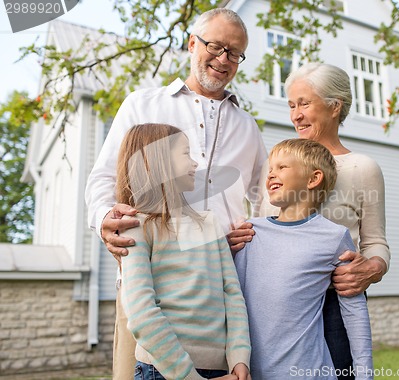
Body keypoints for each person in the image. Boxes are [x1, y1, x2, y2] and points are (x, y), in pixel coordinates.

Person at [84, 8, 267, 379]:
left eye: (235, 53)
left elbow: (267, 198)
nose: (223, 60)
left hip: (219, 293)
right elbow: (103, 178)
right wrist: (106, 218)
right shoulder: (143, 104)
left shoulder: (247, 126)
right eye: (215, 47)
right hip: (149, 282)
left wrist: (251, 234)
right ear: (191, 44)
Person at [229, 62, 390, 379]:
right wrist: (239, 240)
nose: (295, 115)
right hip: (274, 305)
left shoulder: (361, 168)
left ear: (334, 106)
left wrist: (371, 269)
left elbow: (375, 241)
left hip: (335, 302)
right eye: (291, 105)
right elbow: (266, 225)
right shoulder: (278, 166)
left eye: (304, 103)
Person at [116, 123, 250, 380]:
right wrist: (189, 377)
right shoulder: (136, 228)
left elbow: (232, 294)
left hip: (223, 371)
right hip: (161, 370)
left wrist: (239, 358)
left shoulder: (209, 223)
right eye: (186, 154)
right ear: (157, 161)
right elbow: (141, 312)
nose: (194, 164)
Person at [234, 138, 373, 380]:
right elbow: (230, 298)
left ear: (313, 179)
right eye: (270, 170)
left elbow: (355, 313)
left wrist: (364, 375)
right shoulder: (248, 233)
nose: (270, 176)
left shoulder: (334, 237)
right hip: (250, 373)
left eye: (282, 167)